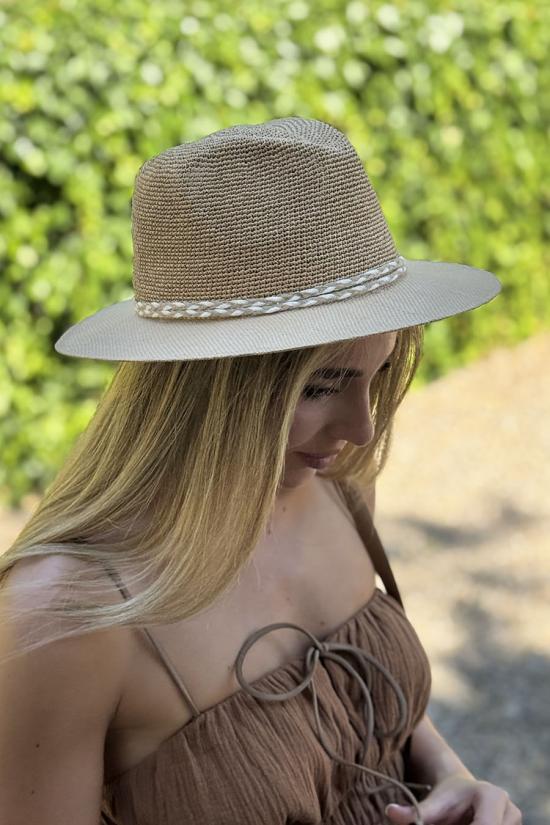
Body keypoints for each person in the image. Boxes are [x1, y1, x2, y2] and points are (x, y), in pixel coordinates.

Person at [0, 117, 522, 825]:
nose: (361, 430)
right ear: (208, 388)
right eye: (320, 386)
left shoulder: (334, 480)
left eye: (379, 374)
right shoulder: (66, 617)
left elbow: (354, 714)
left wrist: (454, 780)